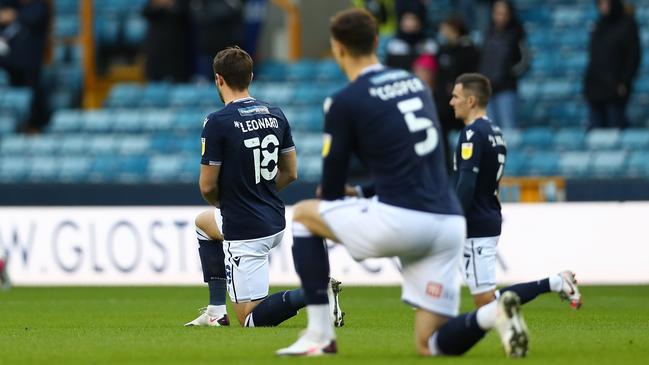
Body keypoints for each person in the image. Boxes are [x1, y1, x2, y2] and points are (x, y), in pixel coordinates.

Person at [277, 8, 529, 358]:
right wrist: (364, 193)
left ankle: (320, 334)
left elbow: (331, 192)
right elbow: (414, 164)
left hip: (402, 221)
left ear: (337, 48)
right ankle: (493, 313)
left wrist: (344, 200)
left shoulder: (343, 101)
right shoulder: (415, 84)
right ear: (377, 42)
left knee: (305, 215)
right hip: (448, 223)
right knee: (430, 344)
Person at [185, 47, 344, 329]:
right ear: (251, 76)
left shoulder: (217, 121)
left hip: (245, 229)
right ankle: (214, 311)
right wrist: (257, 193)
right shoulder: (275, 113)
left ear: (218, 79)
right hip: (273, 217)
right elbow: (290, 172)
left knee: (250, 319)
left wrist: (231, 202)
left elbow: (207, 186)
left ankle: (314, 291)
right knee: (203, 225)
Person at [450, 73, 583, 310]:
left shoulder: (472, 134)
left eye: (456, 96)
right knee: (479, 295)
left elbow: (467, 183)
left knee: (486, 302)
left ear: (470, 101)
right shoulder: (495, 131)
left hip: (475, 222)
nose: (451, 102)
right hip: (487, 213)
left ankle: (555, 282)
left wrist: (454, 220)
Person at [584, 0, 640, 129]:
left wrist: (624, 81)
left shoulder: (627, 25)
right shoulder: (599, 25)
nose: (603, 7)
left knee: (615, 129)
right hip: (595, 88)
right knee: (596, 136)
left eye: (606, 3)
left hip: (615, 89)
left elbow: (633, 57)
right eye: (600, 4)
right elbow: (594, 58)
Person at [434, 16, 480, 170]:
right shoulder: (444, 50)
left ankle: (469, 166)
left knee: (469, 135)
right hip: (445, 105)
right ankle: (447, 168)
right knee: (443, 137)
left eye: (445, 28)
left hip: (464, 103)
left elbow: (474, 76)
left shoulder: (469, 50)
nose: (442, 32)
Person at [0, 0, 50, 132]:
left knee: (32, 99)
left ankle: (34, 127)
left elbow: (29, 18)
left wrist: (13, 15)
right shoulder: (9, 4)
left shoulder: (39, 7)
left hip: (29, 66)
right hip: (7, 64)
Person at [478, 0, 529, 129]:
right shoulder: (488, 33)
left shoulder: (516, 33)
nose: (500, 17)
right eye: (497, 13)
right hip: (487, 89)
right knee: (489, 131)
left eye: (504, 13)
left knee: (508, 129)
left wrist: (509, 73)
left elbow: (525, 61)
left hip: (506, 89)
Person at [142, 0, 193, 83]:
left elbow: (187, 12)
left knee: (180, 83)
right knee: (155, 83)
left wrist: (170, 5)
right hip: (156, 48)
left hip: (178, 47)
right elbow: (146, 12)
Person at [385, 1, 436, 71]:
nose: (411, 23)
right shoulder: (394, 45)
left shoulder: (429, 45)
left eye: (414, 18)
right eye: (407, 19)